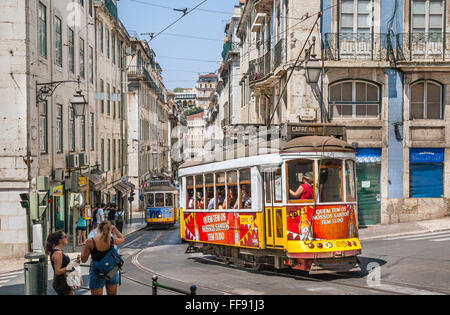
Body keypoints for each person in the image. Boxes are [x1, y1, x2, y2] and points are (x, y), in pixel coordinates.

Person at [81, 221, 125, 295]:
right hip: (112, 271)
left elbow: (83, 259)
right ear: (109, 229)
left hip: (97, 272)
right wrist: (114, 228)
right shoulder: (111, 239)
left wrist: (84, 245)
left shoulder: (90, 241)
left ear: (98, 227)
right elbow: (122, 238)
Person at [46, 231, 80, 295]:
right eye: (65, 236)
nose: (67, 238)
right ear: (60, 240)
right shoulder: (58, 253)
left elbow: (63, 264)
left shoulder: (59, 251)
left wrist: (73, 262)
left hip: (64, 281)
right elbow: (57, 271)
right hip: (62, 282)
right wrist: (71, 266)